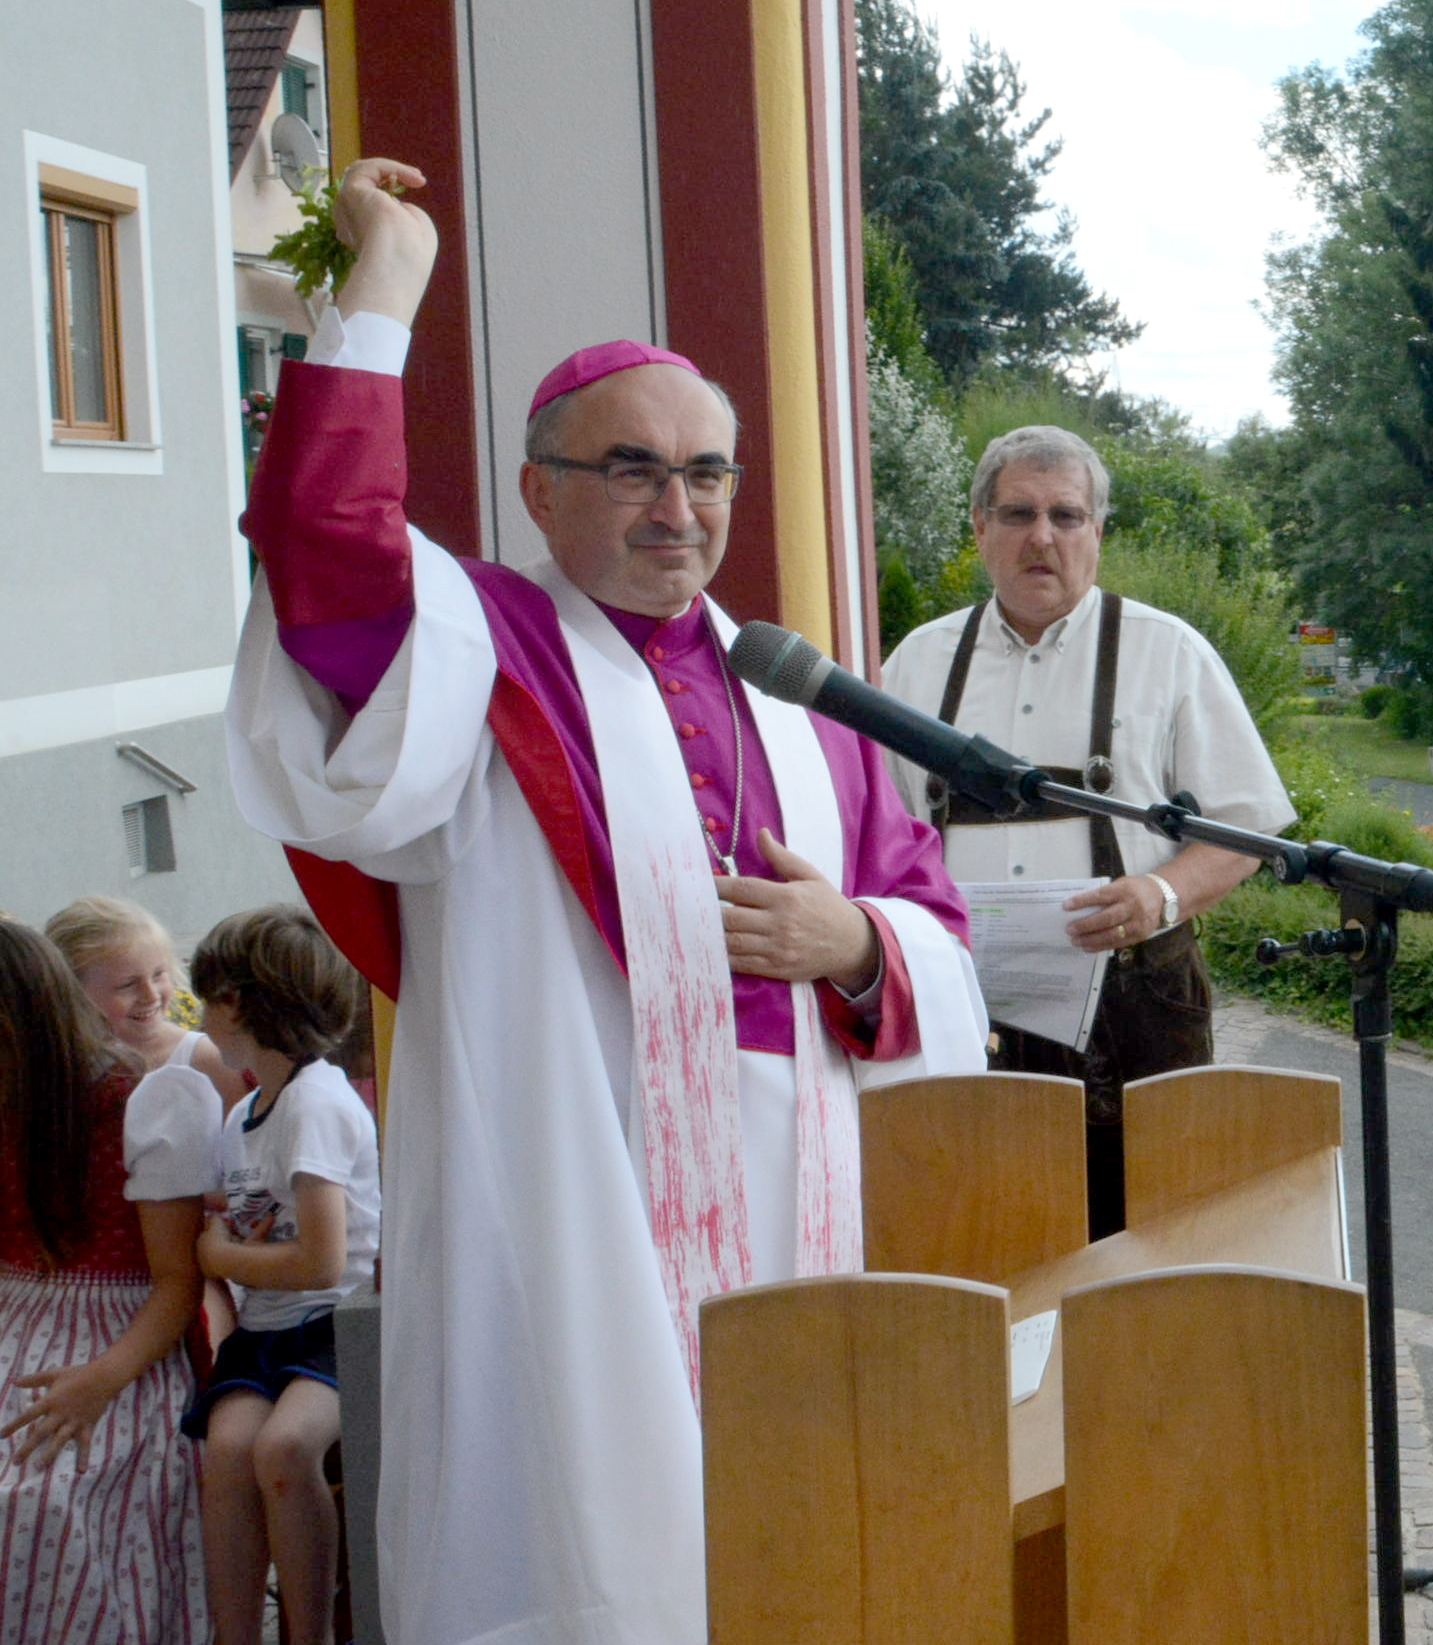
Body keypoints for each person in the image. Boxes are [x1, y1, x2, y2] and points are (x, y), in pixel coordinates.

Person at [222, 160, 988, 1644]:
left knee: (800, 1558)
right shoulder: (479, 647)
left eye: (706, 472)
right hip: (576, 1202)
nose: (676, 506)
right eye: (630, 467)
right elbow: (319, 553)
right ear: (539, 491)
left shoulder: (799, 694)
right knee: (583, 1558)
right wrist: (385, 284)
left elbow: (932, 929)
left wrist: (855, 946)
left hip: (805, 1212)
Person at [881, 423, 1292, 1230]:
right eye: (1017, 514)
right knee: (982, 1244)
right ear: (979, 528)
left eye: (1066, 516)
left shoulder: (1168, 653)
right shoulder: (916, 665)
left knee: (1151, 1252)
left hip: (1137, 1013)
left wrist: (1160, 895)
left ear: (1097, 531)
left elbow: (1245, 830)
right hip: (968, 1014)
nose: (1042, 537)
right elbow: (880, 838)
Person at [0, 920, 220, 1644]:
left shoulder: (135, 1103)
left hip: (123, 1343)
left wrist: (101, 1379)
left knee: (36, 1497)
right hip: (13, 1321)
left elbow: (175, 1283)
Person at [180, 908, 378, 1645]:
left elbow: (321, 1262)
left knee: (284, 1448)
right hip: (265, 1337)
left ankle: (311, 1631)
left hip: (332, 1330)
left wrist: (221, 1257)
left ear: (237, 1004)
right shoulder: (244, 1118)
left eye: (207, 1000)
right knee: (228, 1451)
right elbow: (251, 1213)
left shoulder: (316, 1102)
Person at [44, 896, 247, 1109]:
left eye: (158, 974)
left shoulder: (205, 1059)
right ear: (74, 993)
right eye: (127, 985)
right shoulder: (63, 1063)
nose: (151, 996)